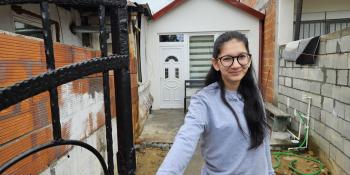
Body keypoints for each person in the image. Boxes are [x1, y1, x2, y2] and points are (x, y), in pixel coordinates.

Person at [156, 31, 275, 175]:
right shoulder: (203, 101)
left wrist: (270, 172)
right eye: (227, 59)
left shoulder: (255, 94)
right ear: (216, 64)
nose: (236, 65)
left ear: (249, 60)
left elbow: (263, 143)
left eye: (241, 57)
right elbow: (185, 140)